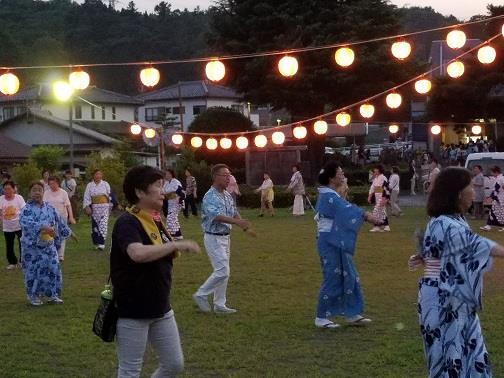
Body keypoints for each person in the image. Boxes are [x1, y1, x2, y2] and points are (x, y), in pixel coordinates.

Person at [408, 167, 504, 377]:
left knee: (470, 352)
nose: (475, 191)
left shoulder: (453, 220)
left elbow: (445, 249)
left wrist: (426, 257)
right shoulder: (445, 222)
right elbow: (476, 245)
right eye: (470, 186)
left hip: (457, 298)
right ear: (458, 192)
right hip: (443, 300)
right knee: (448, 357)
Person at [110, 165, 200, 378]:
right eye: (158, 186)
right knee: (130, 370)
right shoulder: (127, 222)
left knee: (174, 364)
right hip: (132, 309)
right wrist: (175, 245)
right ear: (140, 192)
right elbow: (137, 253)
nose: (163, 191)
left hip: (160, 306)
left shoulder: (154, 219)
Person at [314, 162, 377, 329]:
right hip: (329, 240)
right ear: (332, 178)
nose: (342, 175)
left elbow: (344, 209)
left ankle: (351, 313)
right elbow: (346, 210)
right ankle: (321, 317)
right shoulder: (328, 196)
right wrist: (367, 215)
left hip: (334, 238)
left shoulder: (331, 195)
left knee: (349, 274)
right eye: (340, 173)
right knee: (332, 276)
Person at [193, 164, 250, 314]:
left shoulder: (227, 195)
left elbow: (233, 211)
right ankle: (201, 294)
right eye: (225, 175)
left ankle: (219, 304)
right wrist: (238, 222)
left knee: (224, 272)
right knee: (222, 271)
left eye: (229, 175)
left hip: (225, 238)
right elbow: (216, 216)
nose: (228, 178)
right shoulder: (210, 196)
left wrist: (243, 224)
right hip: (213, 238)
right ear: (215, 177)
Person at [20, 181, 71, 306]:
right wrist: (43, 227)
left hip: (49, 246)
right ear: (29, 193)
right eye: (34, 190)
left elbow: (59, 221)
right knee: (33, 272)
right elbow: (25, 223)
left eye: (39, 190)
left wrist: (69, 232)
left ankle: (52, 295)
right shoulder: (26, 209)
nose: (37, 192)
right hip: (32, 248)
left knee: (53, 269)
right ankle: (33, 296)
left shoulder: (49, 207)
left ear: (43, 192)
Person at [43, 176, 76, 261]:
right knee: (52, 235)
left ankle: (61, 255)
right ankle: (53, 252)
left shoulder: (63, 193)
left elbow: (68, 206)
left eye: (53, 183)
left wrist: (71, 217)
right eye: (50, 184)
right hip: (50, 218)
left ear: (57, 183)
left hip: (62, 217)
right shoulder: (46, 193)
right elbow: (43, 206)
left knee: (62, 235)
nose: (52, 185)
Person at [83, 169, 111, 250]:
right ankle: (96, 242)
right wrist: (87, 207)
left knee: (103, 224)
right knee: (95, 226)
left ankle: (101, 243)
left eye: (99, 174)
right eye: (96, 174)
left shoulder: (105, 184)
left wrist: (112, 205)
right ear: (93, 175)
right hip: (95, 208)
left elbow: (110, 195)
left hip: (104, 207)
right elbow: (86, 197)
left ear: (102, 175)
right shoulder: (89, 185)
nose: (98, 176)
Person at [0, 180, 25, 270]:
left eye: (9, 189)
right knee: (9, 245)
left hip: (19, 225)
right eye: (5, 189)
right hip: (7, 227)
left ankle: (23, 261)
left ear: (13, 189)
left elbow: (24, 210)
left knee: (22, 243)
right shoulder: (1, 199)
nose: (7, 191)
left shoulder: (19, 198)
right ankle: (12, 262)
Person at [162, 169, 185, 240]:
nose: (167, 175)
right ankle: (178, 235)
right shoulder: (165, 183)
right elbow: (163, 192)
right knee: (174, 218)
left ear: (172, 174)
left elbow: (181, 192)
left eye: (168, 174)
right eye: (166, 174)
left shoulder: (176, 182)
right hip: (170, 202)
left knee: (170, 217)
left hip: (177, 202)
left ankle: (172, 234)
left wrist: (180, 199)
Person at [480, 166, 504, 232]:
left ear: (496, 172)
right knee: (494, 212)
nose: (491, 173)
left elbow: (497, 189)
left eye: (492, 172)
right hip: (499, 199)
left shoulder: (500, 179)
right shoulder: (498, 178)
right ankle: (488, 225)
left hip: (500, 199)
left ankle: (489, 226)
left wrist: (491, 197)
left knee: (498, 212)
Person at [368, 165, 390, 232]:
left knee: (376, 211)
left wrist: (385, 198)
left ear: (379, 170)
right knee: (382, 211)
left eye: (376, 169)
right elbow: (372, 188)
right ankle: (386, 226)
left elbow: (386, 188)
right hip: (377, 196)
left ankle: (376, 226)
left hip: (382, 196)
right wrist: (370, 196)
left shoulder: (383, 178)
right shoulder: (375, 178)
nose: (374, 170)